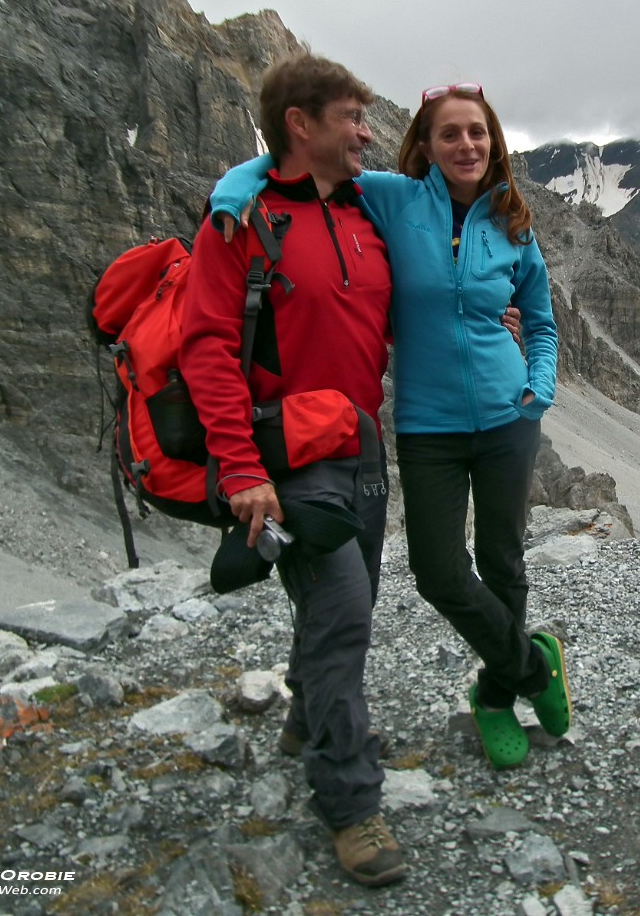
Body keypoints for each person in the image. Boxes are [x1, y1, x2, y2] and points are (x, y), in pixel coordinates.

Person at [211, 81, 571, 771]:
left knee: (503, 562)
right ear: (426, 148)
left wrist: (538, 387)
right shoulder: (392, 198)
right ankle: (533, 665)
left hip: (507, 419)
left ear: (493, 142)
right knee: (438, 571)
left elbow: (543, 323)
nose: (467, 145)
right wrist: (231, 196)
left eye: (478, 133)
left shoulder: (514, 222)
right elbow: (282, 166)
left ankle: (496, 696)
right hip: (427, 426)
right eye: (450, 134)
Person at [180, 53, 407, 887]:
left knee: (350, 602)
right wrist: (241, 468)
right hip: (286, 457)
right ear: (299, 125)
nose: (366, 133)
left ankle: (306, 720)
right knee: (343, 608)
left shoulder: (363, 213)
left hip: (361, 448)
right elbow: (206, 345)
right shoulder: (240, 222)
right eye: (351, 117)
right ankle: (350, 804)